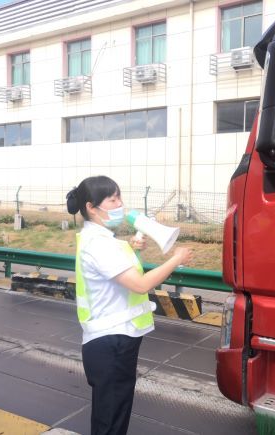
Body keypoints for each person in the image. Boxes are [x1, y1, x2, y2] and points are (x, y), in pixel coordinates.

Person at [66, 176, 193, 435]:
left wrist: (134, 251)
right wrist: (176, 259)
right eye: (112, 199)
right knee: (111, 421)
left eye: (119, 197)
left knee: (111, 415)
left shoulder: (102, 240)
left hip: (112, 339)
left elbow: (118, 278)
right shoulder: (100, 245)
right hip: (111, 341)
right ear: (91, 207)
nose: (120, 204)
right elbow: (140, 284)